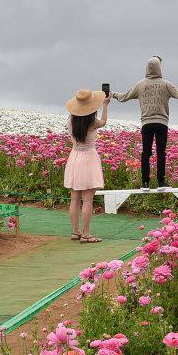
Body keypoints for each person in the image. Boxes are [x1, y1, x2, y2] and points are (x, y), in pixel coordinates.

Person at [112, 56, 178, 190]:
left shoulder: (140, 85)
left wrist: (112, 94)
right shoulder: (165, 84)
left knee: (146, 153)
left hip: (146, 123)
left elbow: (124, 96)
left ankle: (145, 183)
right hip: (161, 123)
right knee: (161, 152)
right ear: (159, 68)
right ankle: (161, 182)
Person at [64, 88, 112, 243]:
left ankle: (75, 231)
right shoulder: (92, 122)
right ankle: (86, 234)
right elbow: (103, 122)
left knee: (74, 198)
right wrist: (105, 105)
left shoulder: (70, 120)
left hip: (74, 157)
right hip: (88, 158)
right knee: (88, 199)